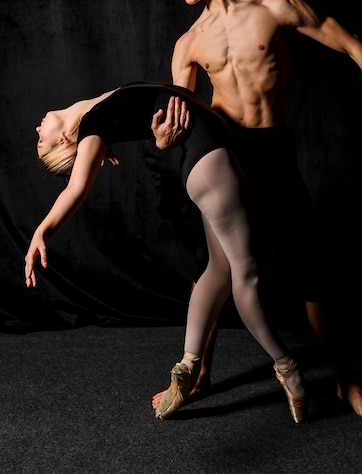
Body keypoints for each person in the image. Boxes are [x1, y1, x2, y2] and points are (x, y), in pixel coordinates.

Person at [151, 0, 362, 423]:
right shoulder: (189, 43)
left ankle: (345, 380)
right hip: (227, 154)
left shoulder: (276, 9)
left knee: (312, 270)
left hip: (273, 149)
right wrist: (166, 140)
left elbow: (349, 43)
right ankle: (197, 372)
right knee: (219, 268)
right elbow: (180, 120)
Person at [24, 81, 310, 423]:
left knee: (219, 271)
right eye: (42, 140)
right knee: (246, 275)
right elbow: (77, 188)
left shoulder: (95, 117)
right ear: (64, 141)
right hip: (210, 160)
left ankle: (188, 365)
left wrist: (100, 144)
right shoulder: (91, 127)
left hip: (205, 160)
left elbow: (139, 109)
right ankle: (287, 367)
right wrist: (43, 230)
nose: (37, 129)